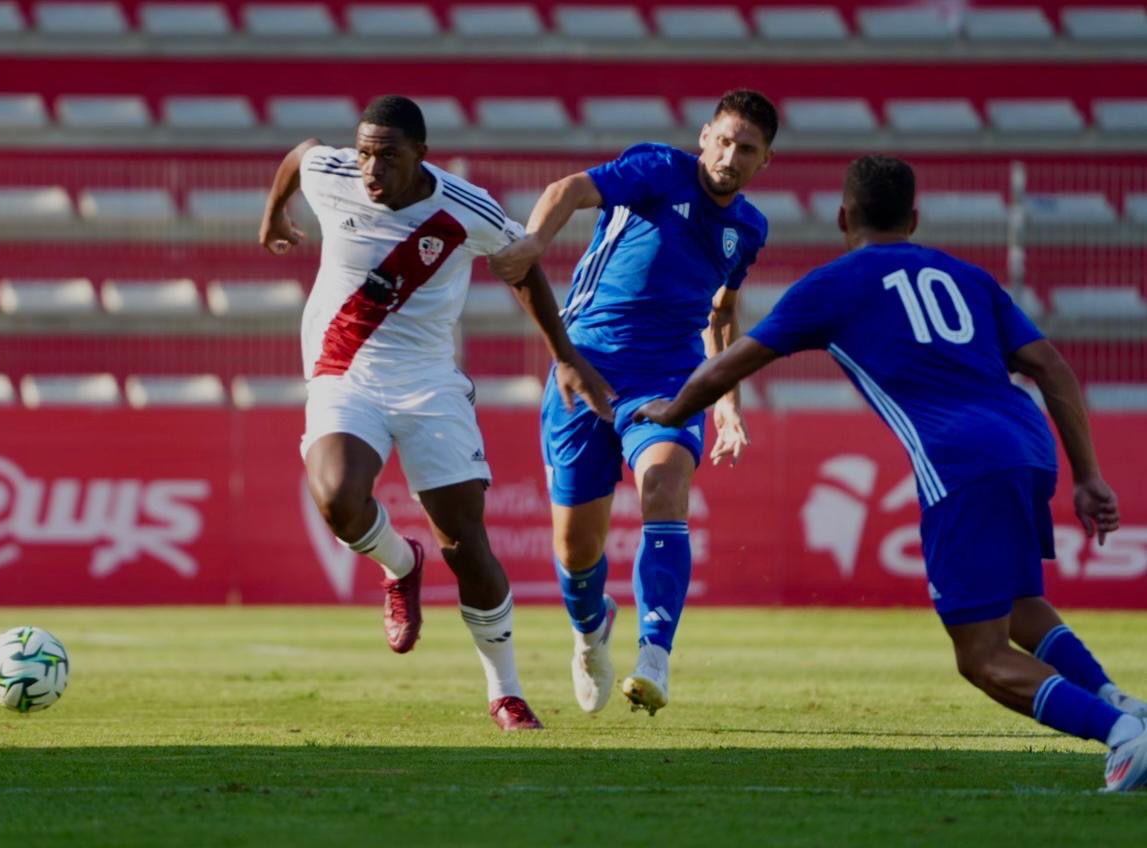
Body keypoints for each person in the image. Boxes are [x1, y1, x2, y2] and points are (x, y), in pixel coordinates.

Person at [634, 153, 1147, 790]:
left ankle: (1118, 735)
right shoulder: (967, 275)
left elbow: (729, 363)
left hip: (960, 463)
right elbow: (1052, 368)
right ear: (914, 217)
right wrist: (1089, 474)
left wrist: (673, 410)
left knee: (981, 658)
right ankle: (1128, 707)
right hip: (1028, 443)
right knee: (1017, 605)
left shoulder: (835, 284)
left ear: (844, 217)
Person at [258, 95, 613, 731]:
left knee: (467, 547)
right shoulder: (336, 175)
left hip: (428, 387)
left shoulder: (466, 206)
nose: (372, 169)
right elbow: (300, 155)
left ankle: (505, 690)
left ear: (422, 156)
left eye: (388, 157)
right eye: (366, 153)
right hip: (345, 374)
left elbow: (522, 269)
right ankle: (401, 565)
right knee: (338, 496)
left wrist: (564, 356)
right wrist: (274, 216)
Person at [489, 89, 778, 716]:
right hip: (586, 367)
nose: (730, 156)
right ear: (705, 136)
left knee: (666, 486)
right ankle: (591, 634)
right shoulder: (655, 169)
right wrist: (535, 242)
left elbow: (721, 312)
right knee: (576, 549)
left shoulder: (748, 228)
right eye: (724, 141)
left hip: (671, 378)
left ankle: (655, 656)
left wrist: (726, 398)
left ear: (765, 161)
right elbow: (568, 189)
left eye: (746, 149)